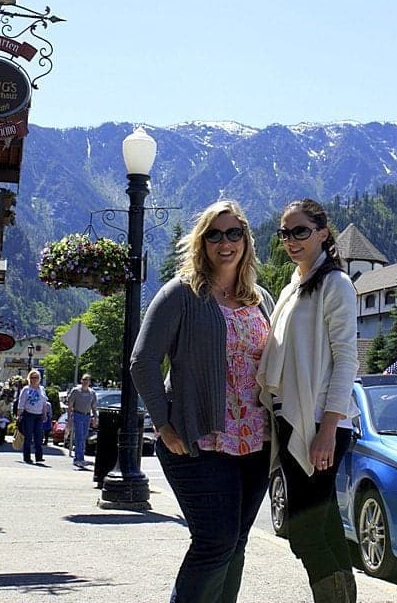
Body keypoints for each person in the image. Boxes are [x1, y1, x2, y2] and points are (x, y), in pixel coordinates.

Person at [131, 199, 275, 603]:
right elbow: (142, 361)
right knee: (214, 542)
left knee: (237, 543)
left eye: (234, 233)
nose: (225, 242)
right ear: (202, 242)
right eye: (214, 234)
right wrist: (163, 424)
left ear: (246, 240)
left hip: (256, 442)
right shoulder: (182, 293)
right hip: (199, 441)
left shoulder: (260, 298)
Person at [258, 198, 359, 603]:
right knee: (324, 526)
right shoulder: (293, 286)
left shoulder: (335, 284)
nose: (291, 240)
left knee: (303, 530)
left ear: (322, 232)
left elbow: (347, 359)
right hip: (291, 417)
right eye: (285, 232)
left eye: (300, 231)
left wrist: (328, 430)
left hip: (319, 421)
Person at [17, 370, 49, 464]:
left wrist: (44, 414)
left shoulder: (42, 389)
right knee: (28, 436)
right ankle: (27, 457)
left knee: (39, 436)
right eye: (32, 377)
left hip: (39, 415)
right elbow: (21, 403)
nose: (34, 380)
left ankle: (39, 456)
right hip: (28, 414)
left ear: (39, 379)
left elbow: (44, 403)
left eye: (36, 378)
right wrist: (19, 415)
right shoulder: (26, 389)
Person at [67, 373, 98, 468]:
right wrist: (69, 418)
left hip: (87, 416)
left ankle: (81, 458)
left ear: (89, 382)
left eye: (87, 380)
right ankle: (77, 459)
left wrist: (96, 417)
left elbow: (94, 406)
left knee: (84, 437)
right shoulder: (76, 391)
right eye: (84, 379)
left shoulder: (92, 393)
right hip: (78, 415)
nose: (85, 382)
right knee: (79, 436)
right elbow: (70, 405)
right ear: (81, 380)